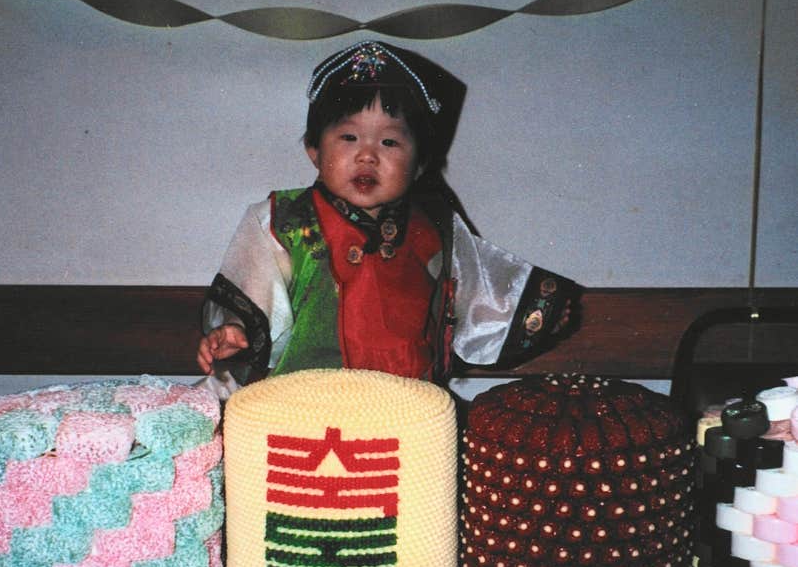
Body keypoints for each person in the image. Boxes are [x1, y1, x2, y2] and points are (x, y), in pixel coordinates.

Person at [197, 40, 577, 396]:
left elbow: (481, 291)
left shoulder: (435, 226)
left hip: (407, 402)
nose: (367, 155)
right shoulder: (283, 221)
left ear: (420, 163)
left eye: (389, 142)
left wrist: (539, 310)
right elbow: (252, 291)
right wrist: (235, 329)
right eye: (349, 137)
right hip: (307, 400)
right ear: (314, 149)